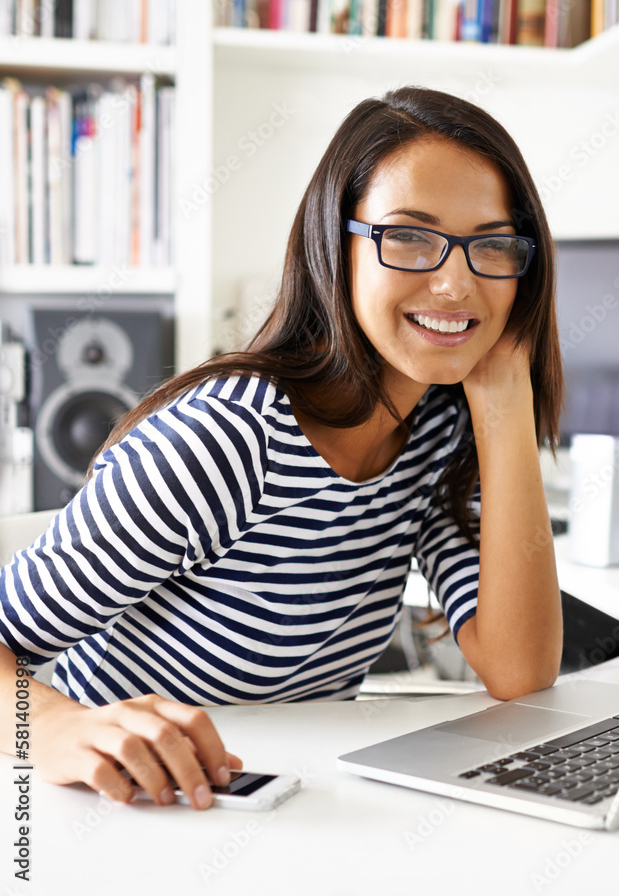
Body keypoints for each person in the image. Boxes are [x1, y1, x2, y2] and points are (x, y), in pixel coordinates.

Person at [0, 86, 564, 811]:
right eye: (410, 237)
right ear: (338, 244)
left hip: (278, 810)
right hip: (117, 809)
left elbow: (521, 672)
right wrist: (51, 726)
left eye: (490, 243)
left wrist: (506, 401)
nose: (455, 281)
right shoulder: (226, 440)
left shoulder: (435, 436)